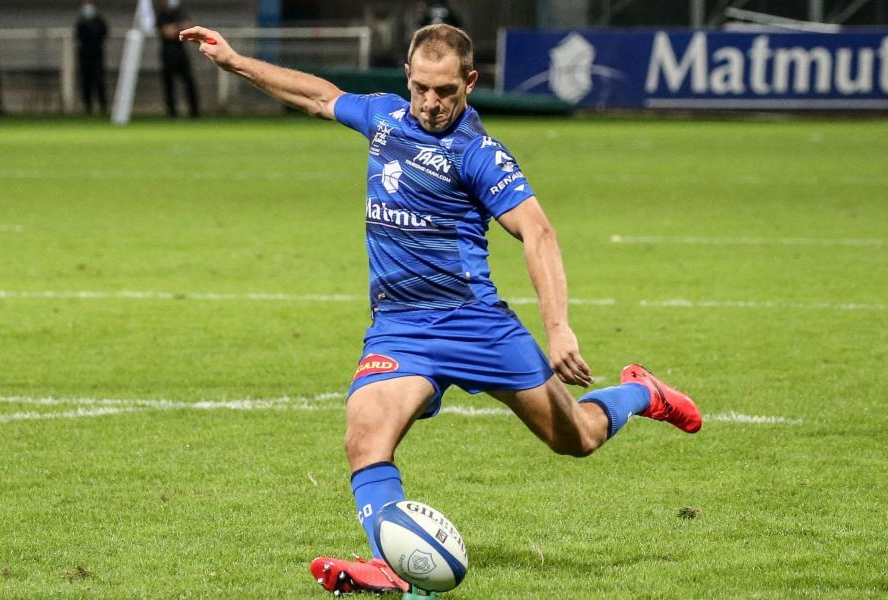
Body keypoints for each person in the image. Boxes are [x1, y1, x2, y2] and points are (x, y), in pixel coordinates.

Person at [180, 23, 702, 595]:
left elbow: (539, 234)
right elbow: (319, 95)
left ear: (470, 84)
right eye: (422, 88)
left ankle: (641, 392)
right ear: (407, 77)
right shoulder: (383, 118)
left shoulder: (479, 155)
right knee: (365, 435)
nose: (431, 103)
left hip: (476, 325)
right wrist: (234, 62)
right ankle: (393, 568)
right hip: (400, 329)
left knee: (576, 437)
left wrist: (558, 328)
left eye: (446, 91)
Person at [156, 0, 199, 118]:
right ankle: (172, 113)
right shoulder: (161, 16)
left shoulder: (180, 13)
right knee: (169, 85)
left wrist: (175, 28)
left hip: (181, 54)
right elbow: (167, 33)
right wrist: (180, 27)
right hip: (167, 54)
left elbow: (190, 28)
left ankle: (194, 112)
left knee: (189, 82)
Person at [75, 1, 108, 114]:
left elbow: (104, 33)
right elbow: (78, 36)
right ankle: (88, 106)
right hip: (84, 56)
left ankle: (103, 106)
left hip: (97, 55)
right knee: (86, 82)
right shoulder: (81, 22)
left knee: (99, 81)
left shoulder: (100, 21)